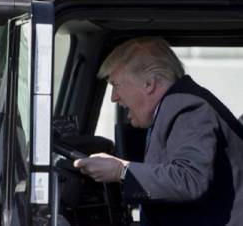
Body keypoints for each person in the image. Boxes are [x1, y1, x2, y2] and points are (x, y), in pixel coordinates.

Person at [73, 37, 243, 226]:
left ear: (149, 84)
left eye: (116, 84)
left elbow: (191, 179)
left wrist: (121, 171)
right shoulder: (175, 106)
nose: (114, 97)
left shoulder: (187, 107)